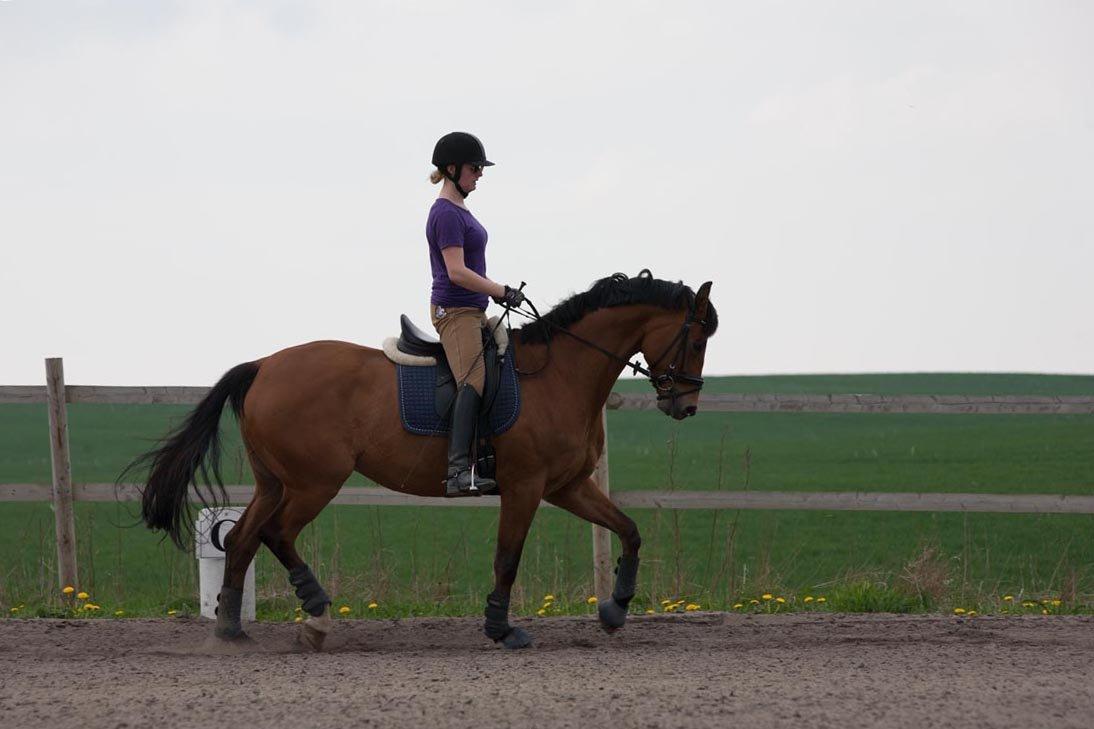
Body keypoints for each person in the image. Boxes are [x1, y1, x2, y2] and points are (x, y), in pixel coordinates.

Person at [426, 132, 525, 496]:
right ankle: (456, 473)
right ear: (452, 170)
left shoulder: (460, 210)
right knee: (474, 379)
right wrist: (500, 290)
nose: (480, 174)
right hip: (455, 311)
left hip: (473, 309)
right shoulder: (446, 214)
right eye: (474, 168)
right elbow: (456, 270)